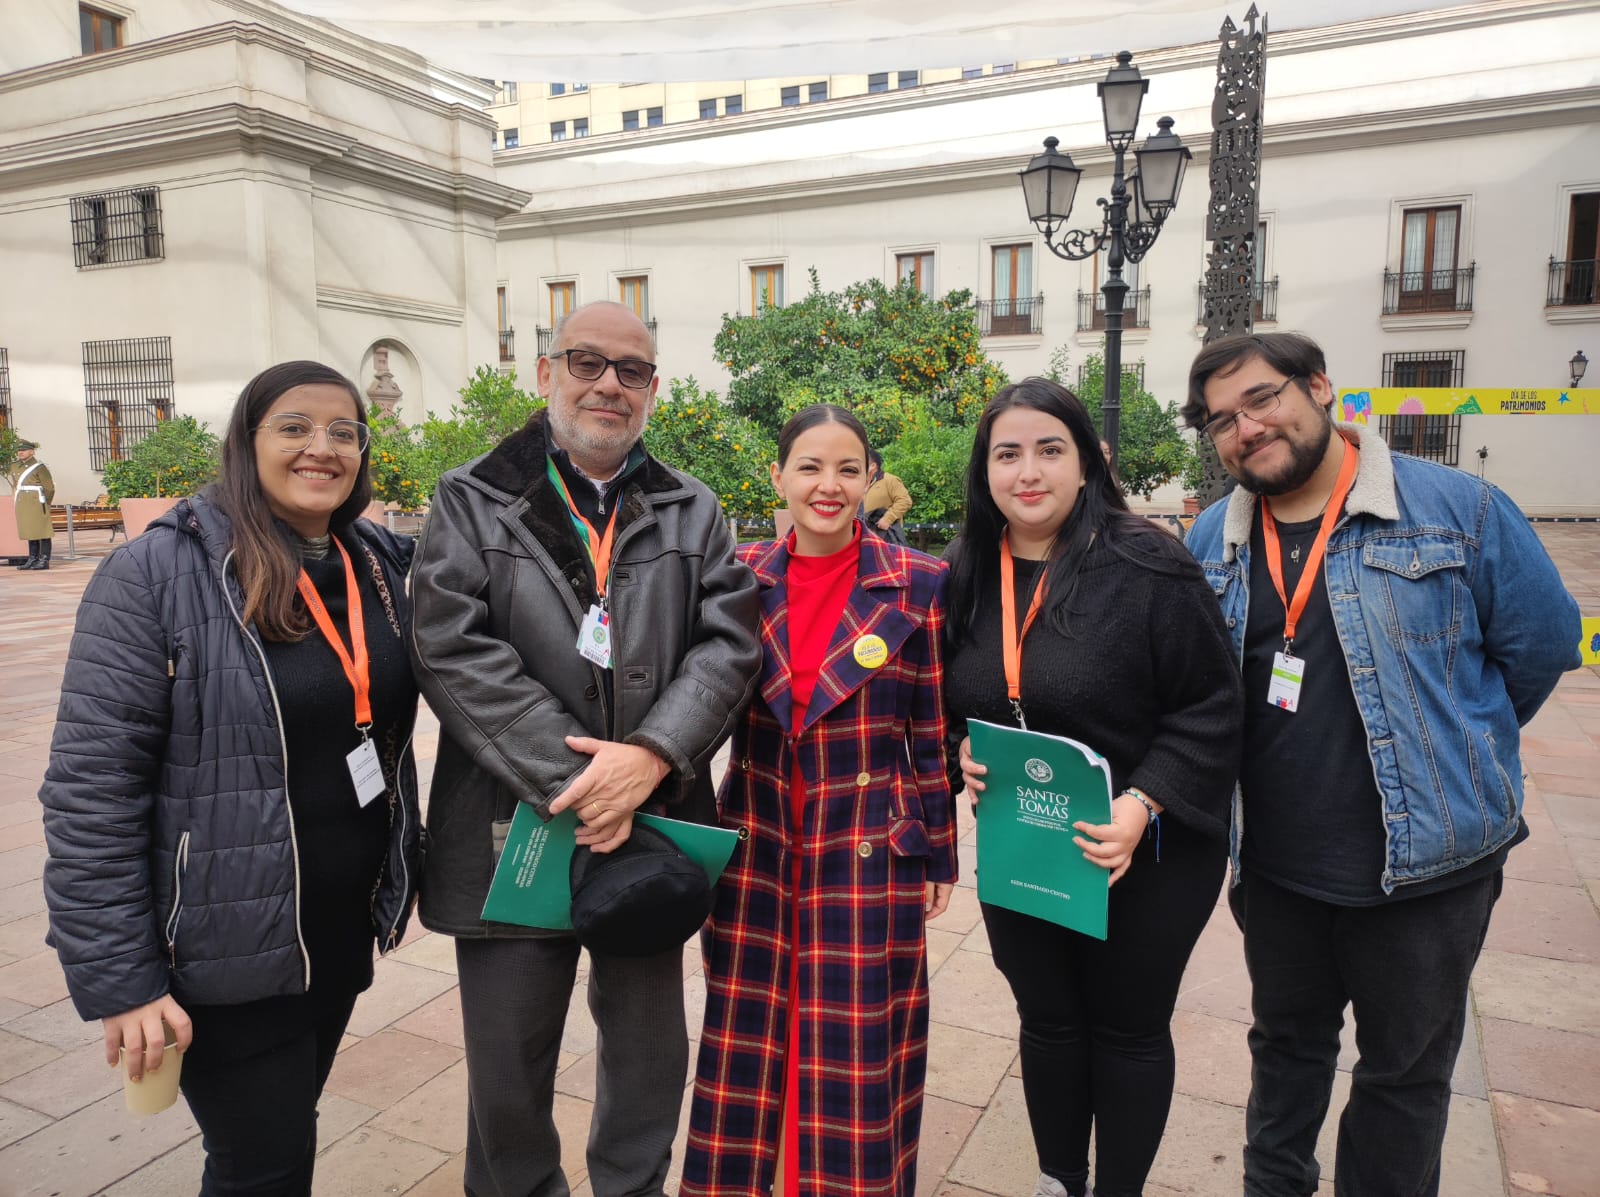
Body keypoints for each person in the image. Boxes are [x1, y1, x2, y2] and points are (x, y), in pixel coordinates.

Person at [1182, 332, 1581, 1197]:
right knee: (1284, 1060)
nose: (1246, 428)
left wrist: (1459, 744)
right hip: (1279, 873)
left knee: (1403, 1078)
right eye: (1221, 420)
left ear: (1321, 387)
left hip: (1430, 873)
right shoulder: (1214, 537)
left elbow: (1543, 647)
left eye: (1262, 398)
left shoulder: (1459, 508)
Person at [40, 361, 422, 1194]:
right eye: (293, 426)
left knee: (278, 1147)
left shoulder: (375, 564)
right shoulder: (156, 576)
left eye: (343, 431)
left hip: (333, 930)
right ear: (247, 443)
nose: (321, 447)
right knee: (264, 1166)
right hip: (219, 952)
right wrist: (124, 983)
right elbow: (89, 794)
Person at [409, 300, 762, 1197]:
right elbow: (449, 645)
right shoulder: (472, 495)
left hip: (651, 827)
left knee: (648, 1059)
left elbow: (730, 643)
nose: (609, 384)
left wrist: (650, 755)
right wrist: (586, 781)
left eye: (632, 370)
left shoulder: (694, 508)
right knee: (507, 1069)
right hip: (512, 824)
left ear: (652, 390)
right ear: (545, 374)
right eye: (587, 362)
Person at [944, 378, 1243, 1197]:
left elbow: (1213, 704)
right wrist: (957, 750)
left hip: (1145, 847)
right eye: (1008, 453)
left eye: (1050, 449)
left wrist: (1142, 804)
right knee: (1046, 1018)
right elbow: (946, 698)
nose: (1027, 471)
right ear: (985, 470)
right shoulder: (968, 568)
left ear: (1086, 464)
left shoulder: (1147, 562)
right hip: (1025, 837)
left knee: (1127, 1026)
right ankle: (1059, 1180)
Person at [683, 404, 957, 1197]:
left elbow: (930, 729)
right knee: (746, 1037)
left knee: (856, 1050)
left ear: (872, 479)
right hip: (759, 839)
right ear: (777, 477)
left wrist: (938, 848)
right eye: (809, 467)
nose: (828, 486)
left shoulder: (920, 582)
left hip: (870, 842)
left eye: (847, 468)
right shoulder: (738, 574)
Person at [9, 438, 55, 570]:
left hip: (37, 502)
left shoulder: (40, 467)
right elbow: (15, 485)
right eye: (19, 450)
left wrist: (46, 503)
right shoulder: (14, 466)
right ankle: (32, 558)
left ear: (32, 452)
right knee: (30, 530)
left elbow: (49, 488)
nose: (20, 452)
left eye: (24, 450)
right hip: (23, 502)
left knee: (42, 531)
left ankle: (44, 559)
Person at [863, 448, 913, 546]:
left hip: (886, 535)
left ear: (872, 466)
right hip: (864, 534)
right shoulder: (860, 482)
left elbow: (905, 501)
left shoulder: (890, 480)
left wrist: (887, 519)